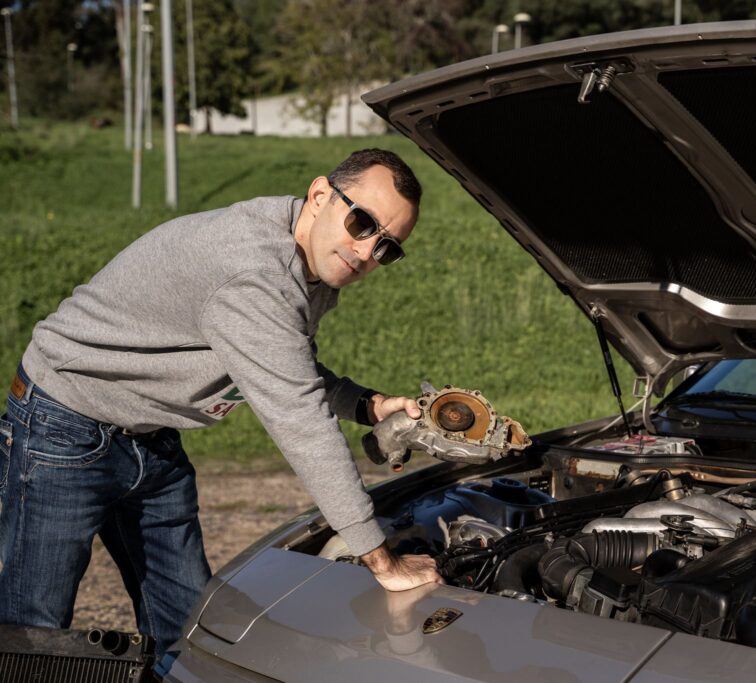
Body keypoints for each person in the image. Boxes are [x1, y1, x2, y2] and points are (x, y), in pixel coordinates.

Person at [0, 148, 441, 656]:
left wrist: (368, 404)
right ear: (321, 195)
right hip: (64, 422)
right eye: (362, 223)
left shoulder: (305, 254)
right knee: (34, 630)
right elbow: (301, 421)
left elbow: (279, 361)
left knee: (186, 618)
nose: (367, 253)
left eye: (388, 247)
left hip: (148, 433)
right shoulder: (255, 271)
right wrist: (381, 561)